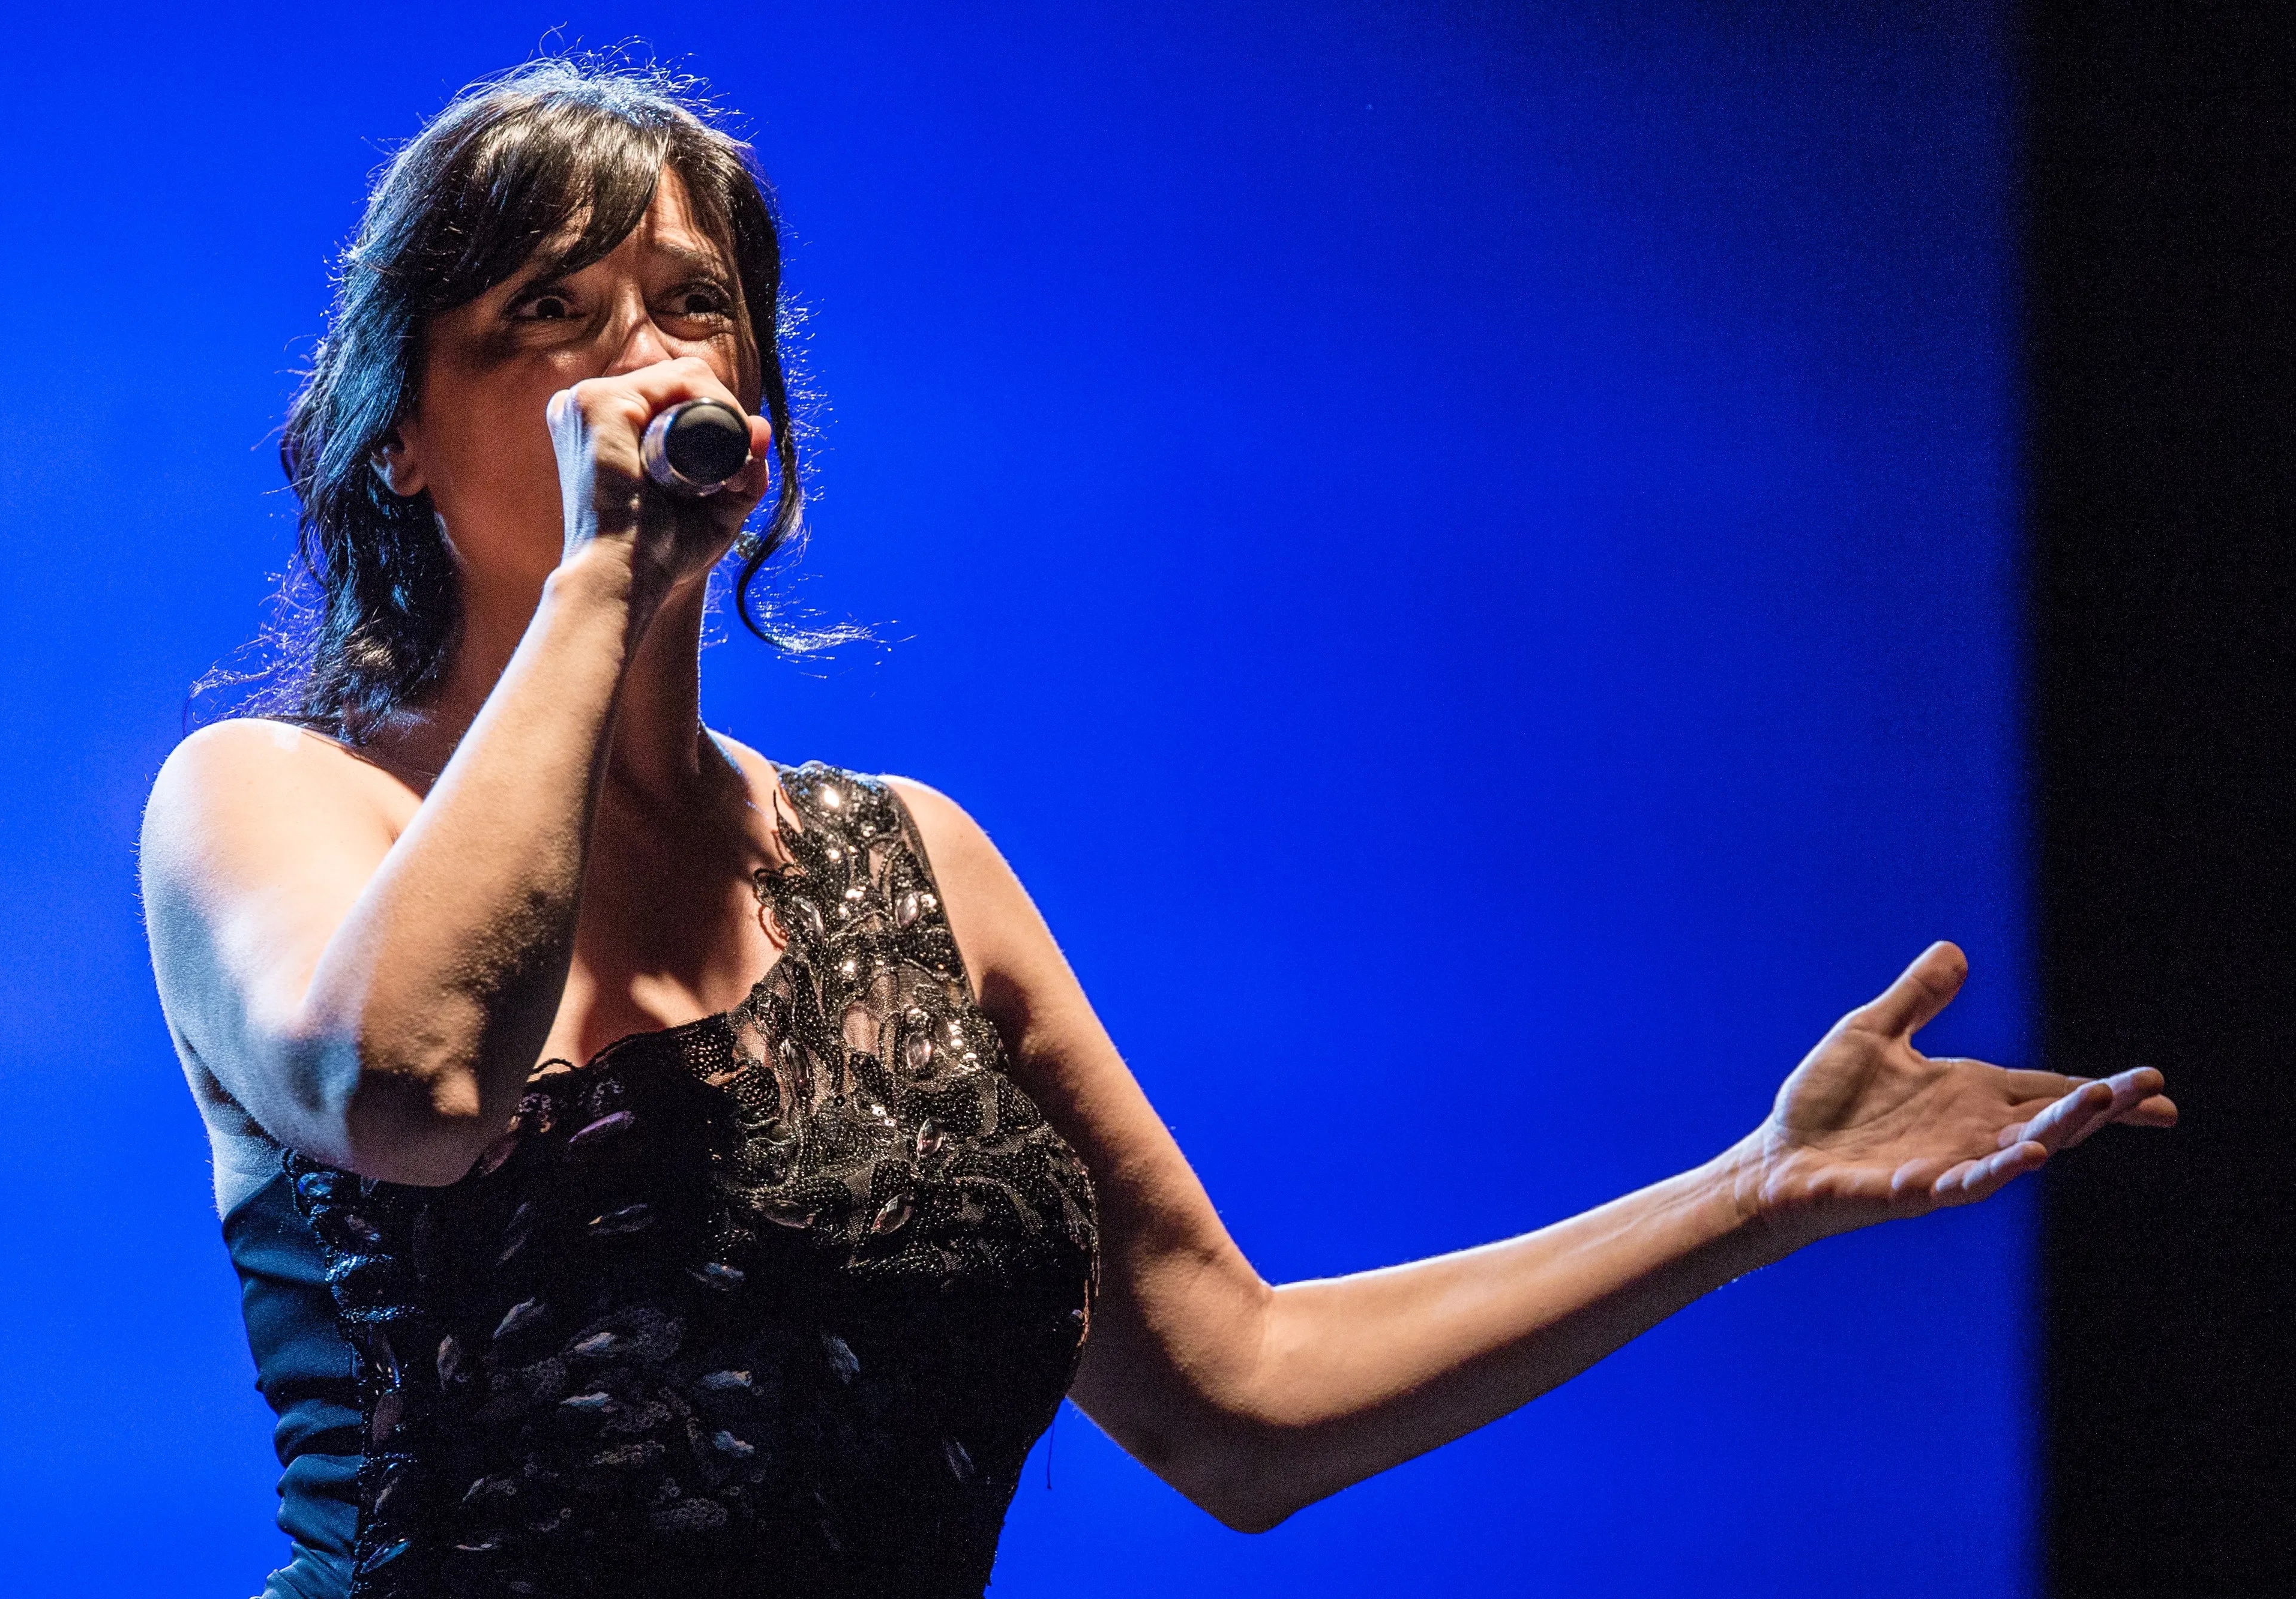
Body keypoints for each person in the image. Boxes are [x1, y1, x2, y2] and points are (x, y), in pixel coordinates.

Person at [138, 58, 2175, 1599]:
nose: (643, 361)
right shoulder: (272, 798)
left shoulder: (909, 866)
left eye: (689, 304)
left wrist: (1751, 1191)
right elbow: (412, 1084)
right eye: (548, 316)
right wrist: (603, 573)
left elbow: (1239, 1396)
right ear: (398, 440)